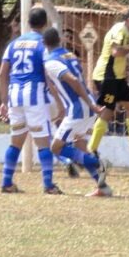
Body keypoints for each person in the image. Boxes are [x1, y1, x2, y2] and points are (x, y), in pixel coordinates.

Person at [0, 8, 64, 194]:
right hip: (34, 96)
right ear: (45, 24)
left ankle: (6, 182)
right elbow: (48, 75)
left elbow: (2, 74)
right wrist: (59, 102)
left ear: (28, 22)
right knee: (43, 142)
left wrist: (4, 101)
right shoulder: (43, 44)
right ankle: (48, 185)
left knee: (16, 141)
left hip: (15, 95)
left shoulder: (13, 44)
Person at [42, 28, 113, 197]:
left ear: (44, 44)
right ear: (60, 40)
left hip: (80, 108)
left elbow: (73, 81)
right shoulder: (69, 55)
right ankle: (102, 187)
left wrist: (89, 103)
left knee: (56, 147)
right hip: (86, 104)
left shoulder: (52, 62)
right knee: (80, 145)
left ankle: (99, 163)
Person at [87, 6, 129, 155]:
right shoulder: (120, 31)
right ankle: (91, 149)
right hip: (107, 77)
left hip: (117, 78)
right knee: (107, 112)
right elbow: (116, 52)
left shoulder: (124, 27)